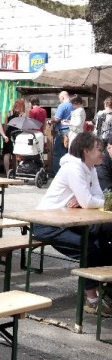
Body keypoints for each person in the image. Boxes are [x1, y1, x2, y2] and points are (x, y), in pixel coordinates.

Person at [33, 132, 112, 315]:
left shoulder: (90, 168)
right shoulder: (73, 168)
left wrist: (88, 200)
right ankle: (92, 300)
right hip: (46, 224)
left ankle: (104, 292)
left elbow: (96, 197)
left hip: (67, 222)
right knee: (89, 248)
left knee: (102, 244)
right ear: (86, 151)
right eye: (98, 149)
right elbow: (89, 201)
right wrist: (89, 201)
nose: (102, 153)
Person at [52, 90, 72, 176]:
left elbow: (57, 119)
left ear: (62, 97)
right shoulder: (73, 105)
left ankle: (57, 173)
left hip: (62, 131)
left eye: (59, 98)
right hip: (72, 131)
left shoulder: (62, 105)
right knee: (70, 154)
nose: (59, 100)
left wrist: (50, 121)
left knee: (58, 153)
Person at [3, 98, 26, 174]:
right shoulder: (22, 114)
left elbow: (5, 125)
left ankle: (7, 171)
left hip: (9, 133)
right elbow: (22, 126)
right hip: (17, 134)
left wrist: (4, 135)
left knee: (7, 153)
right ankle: (17, 171)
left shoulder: (9, 113)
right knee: (18, 153)